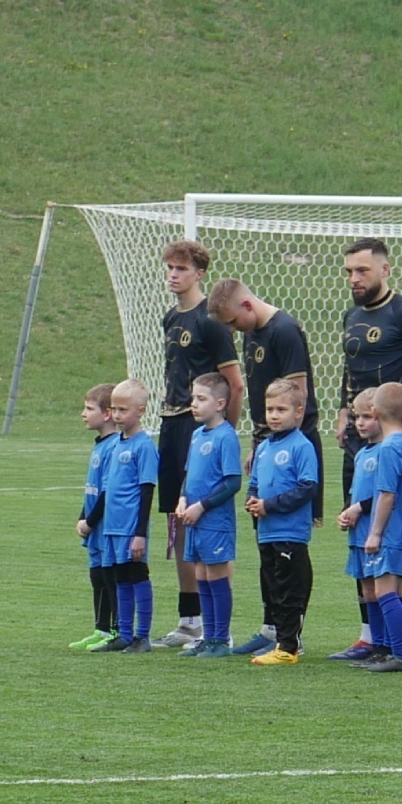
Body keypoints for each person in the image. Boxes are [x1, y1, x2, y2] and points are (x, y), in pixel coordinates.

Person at [338, 238, 402, 657]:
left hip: (395, 440)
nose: (354, 278)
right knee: (360, 532)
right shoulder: (351, 315)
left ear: (385, 270)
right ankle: (372, 638)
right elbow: (351, 369)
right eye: (349, 271)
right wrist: (347, 411)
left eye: (362, 270)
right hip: (360, 442)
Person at [155, 240, 243, 644]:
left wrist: (225, 431)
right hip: (172, 424)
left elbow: (234, 382)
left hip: (202, 430)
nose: (174, 274)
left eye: (181, 268)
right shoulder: (171, 317)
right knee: (177, 520)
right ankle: (189, 619)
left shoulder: (210, 322)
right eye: (170, 268)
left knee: (205, 518)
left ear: (199, 273)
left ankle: (213, 624)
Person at [338, 384, 402, 670]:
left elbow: (386, 494)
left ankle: (399, 654)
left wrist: (375, 533)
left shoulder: (389, 448)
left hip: (391, 531)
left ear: (375, 411)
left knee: (386, 592)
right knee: (393, 592)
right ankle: (386, 650)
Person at [242, 375, 321, 663]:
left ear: (298, 411)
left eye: (281, 410)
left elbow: (307, 487)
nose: (273, 416)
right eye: (270, 409)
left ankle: (288, 647)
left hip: (289, 531)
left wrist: (269, 505)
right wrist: (252, 499)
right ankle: (282, 641)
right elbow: (256, 482)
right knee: (273, 588)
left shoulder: (301, 446)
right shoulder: (264, 447)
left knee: (289, 589)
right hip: (267, 531)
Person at [171, 372, 246, 656]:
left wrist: (202, 506)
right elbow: (190, 475)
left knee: (216, 575)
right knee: (201, 575)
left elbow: (233, 482)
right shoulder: (196, 435)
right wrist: (182, 499)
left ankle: (220, 639)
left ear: (220, 404)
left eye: (201, 399)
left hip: (214, 521)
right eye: (193, 398)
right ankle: (208, 636)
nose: (194, 404)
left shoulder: (226, 436)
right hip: (194, 520)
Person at [207, 279, 314, 456]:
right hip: (267, 441)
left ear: (247, 305)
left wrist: (286, 448)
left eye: (233, 321)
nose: (232, 329)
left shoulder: (284, 330)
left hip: (291, 442)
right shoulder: (250, 334)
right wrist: (257, 445)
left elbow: (299, 394)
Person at [88, 382, 159, 647]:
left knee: (137, 576)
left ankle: (143, 635)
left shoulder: (145, 446)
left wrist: (140, 533)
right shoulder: (114, 444)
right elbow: (108, 488)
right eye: (114, 409)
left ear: (140, 411)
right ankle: (125, 634)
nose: (117, 415)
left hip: (130, 528)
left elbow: (147, 491)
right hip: (111, 527)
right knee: (119, 578)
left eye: (123, 410)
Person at [73, 383, 120, 651]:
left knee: (108, 576)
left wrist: (90, 521)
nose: (83, 413)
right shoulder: (100, 445)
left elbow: (107, 491)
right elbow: (91, 490)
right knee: (96, 576)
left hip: (104, 525)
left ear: (107, 414)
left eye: (89, 408)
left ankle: (114, 628)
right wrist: (83, 516)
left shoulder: (114, 446)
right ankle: (99, 627)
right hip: (93, 525)